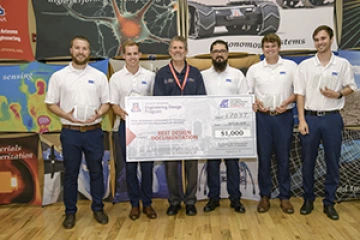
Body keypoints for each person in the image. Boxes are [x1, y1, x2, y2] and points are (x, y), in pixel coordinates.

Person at [45, 36, 110, 229]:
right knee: (71, 174)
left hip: (94, 131)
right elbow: (50, 103)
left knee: (97, 172)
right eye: (77, 48)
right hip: (70, 132)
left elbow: (106, 103)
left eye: (85, 48)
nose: (81, 51)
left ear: (89, 52)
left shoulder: (99, 76)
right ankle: (70, 212)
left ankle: (98, 208)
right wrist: (66, 115)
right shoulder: (59, 76)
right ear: (71, 50)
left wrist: (98, 113)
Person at [294, 25, 357, 220]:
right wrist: (302, 120)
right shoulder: (305, 65)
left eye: (323, 38)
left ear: (330, 40)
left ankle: (329, 202)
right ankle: (308, 199)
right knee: (308, 162)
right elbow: (300, 94)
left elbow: (351, 87)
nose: (320, 42)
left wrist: (337, 94)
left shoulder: (342, 64)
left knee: (332, 161)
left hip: (332, 118)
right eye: (316, 39)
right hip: (311, 119)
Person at [154, 36, 206, 216]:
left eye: (181, 48)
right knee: (171, 166)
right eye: (174, 47)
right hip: (170, 128)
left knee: (191, 165)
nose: (177, 51)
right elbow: (158, 103)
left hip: (191, 127)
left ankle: (190, 201)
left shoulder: (195, 73)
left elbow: (202, 100)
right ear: (169, 51)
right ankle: (175, 201)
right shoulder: (161, 74)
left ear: (186, 51)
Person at [247, 33, 297, 214]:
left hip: (284, 117)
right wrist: (256, 102)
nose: (270, 49)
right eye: (267, 47)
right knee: (264, 158)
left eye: (273, 46)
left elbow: (298, 91)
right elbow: (248, 92)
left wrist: (287, 101)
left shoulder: (291, 66)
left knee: (284, 158)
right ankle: (265, 196)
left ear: (279, 47)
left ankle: (285, 197)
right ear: (262, 49)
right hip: (263, 118)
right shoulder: (254, 69)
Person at [109, 40, 157, 220]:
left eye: (135, 53)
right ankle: (134, 204)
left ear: (140, 54)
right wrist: (121, 113)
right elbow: (113, 104)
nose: (132, 57)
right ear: (123, 56)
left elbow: (154, 102)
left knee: (147, 167)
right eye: (129, 54)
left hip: (145, 127)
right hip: (125, 126)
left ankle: (148, 204)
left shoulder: (150, 76)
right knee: (130, 168)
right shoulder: (116, 78)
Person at [201, 40, 248, 213]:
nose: (219, 54)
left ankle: (235, 199)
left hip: (231, 127)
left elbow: (245, 100)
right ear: (211, 54)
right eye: (215, 51)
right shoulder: (203, 75)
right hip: (210, 129)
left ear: (228, 53)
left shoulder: (237, 75)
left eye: (222, 51)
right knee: (212, 165)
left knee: (232, 164)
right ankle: (213, 198)